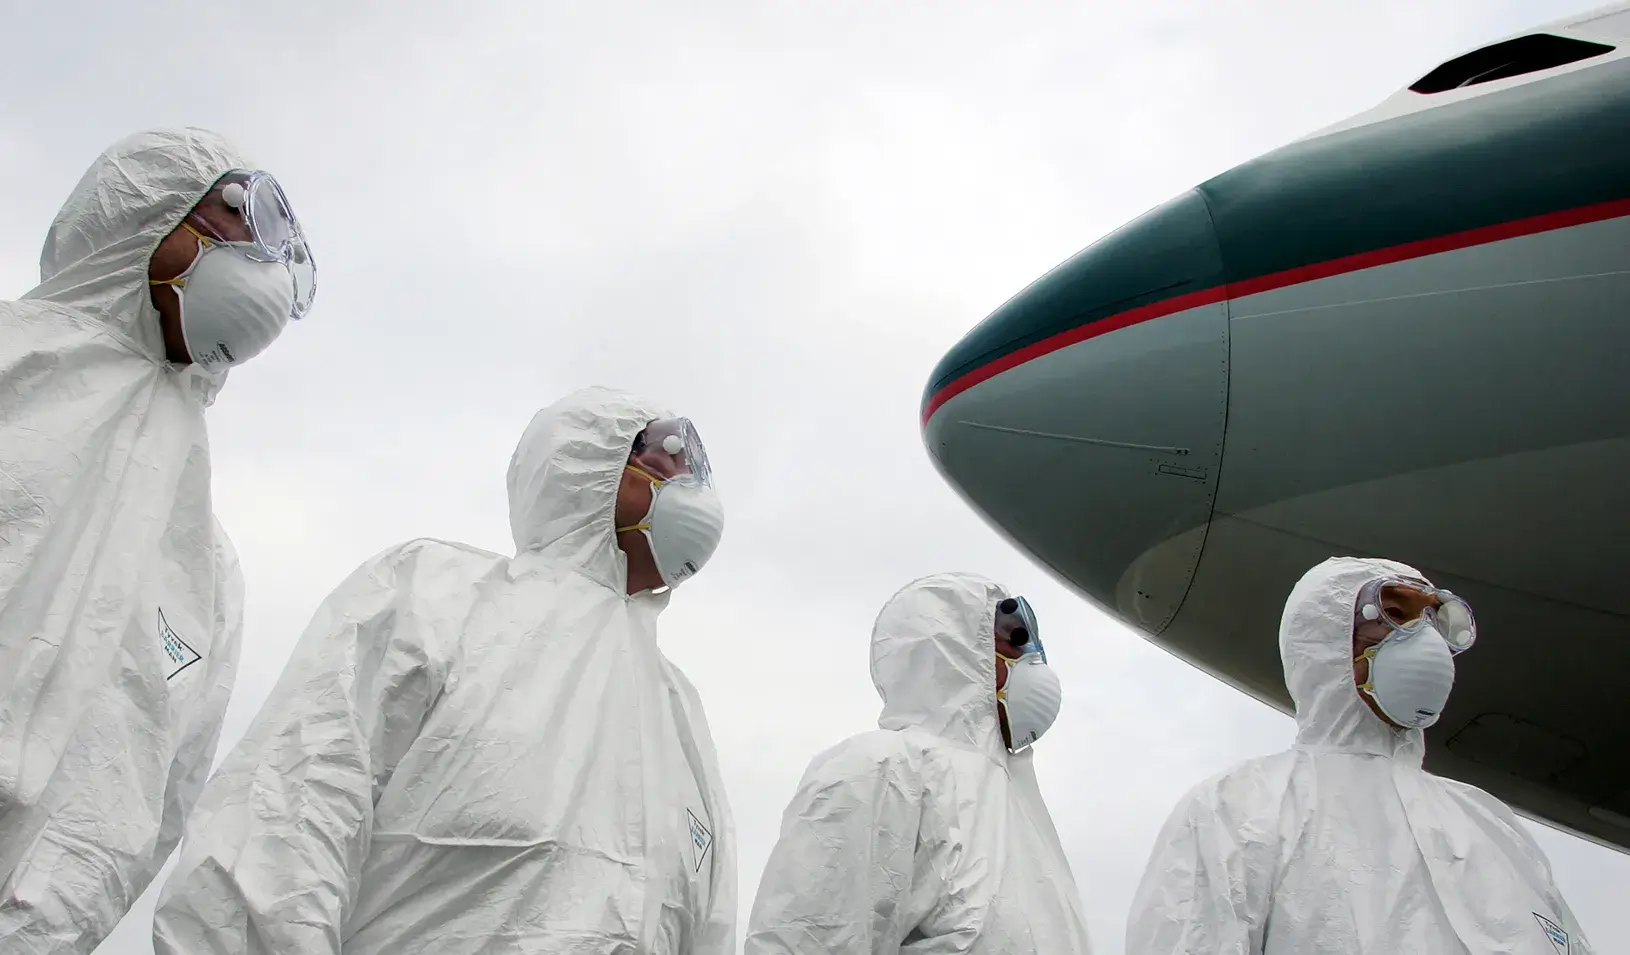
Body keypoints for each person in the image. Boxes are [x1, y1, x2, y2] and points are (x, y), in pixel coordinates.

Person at [152, 386, 735, 955]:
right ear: (586, 465)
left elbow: (705, 925)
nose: (685, 478)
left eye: (692, 467)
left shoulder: (677, 711)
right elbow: (289, 815)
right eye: (661, 454)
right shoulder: (436, 597)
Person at [0, 127, 317, 953]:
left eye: (279, 245)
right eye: (239, 212)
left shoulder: (205, 569)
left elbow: (151, 795)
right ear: (145, 210)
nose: (262, 256)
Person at [1126, 556, 1596, 955]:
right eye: (1395, 614)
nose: (1428, 641)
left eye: (1434, 620)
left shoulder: (1489, 822)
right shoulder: (1238, 810)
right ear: (1324, 640)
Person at [745, 572, 1093, 954]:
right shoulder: (883, 770)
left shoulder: (1022, 817)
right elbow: (808, 938)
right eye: (1013, 640)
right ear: (955, 651)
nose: (1029, 658)